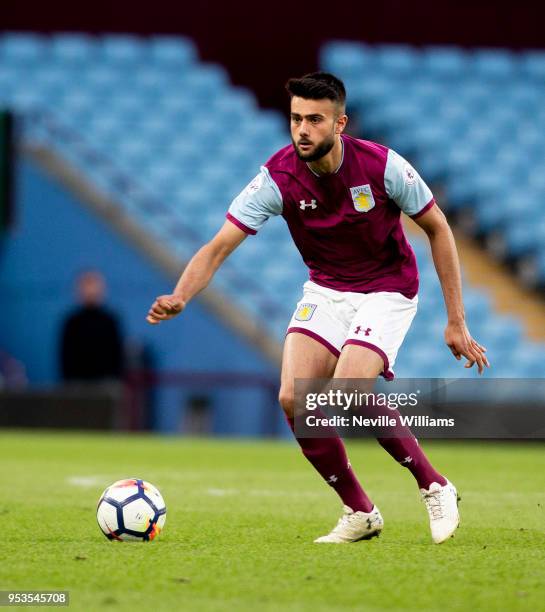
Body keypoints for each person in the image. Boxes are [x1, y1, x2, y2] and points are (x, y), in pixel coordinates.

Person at [146, 72, 489, 544]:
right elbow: (219, 246)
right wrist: (181, 295)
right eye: (295, 119)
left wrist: (456, 321)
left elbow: (439, 228)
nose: (302, 130)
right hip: (327, 290)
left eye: (314, 120)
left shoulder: (384, 167)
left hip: (388, 289)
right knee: (293, 398)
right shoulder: (277, 177)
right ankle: (359, 511)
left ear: (340, 123)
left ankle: (434, 484)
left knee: (347, 389)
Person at [60, 270, 124, 382]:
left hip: (106, 384)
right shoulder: (72, 323)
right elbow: (66, 357)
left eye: (93, 285)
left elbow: (117, 354)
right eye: (86, 286)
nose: (90, 291)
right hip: (78, 385)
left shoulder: (110, 321)